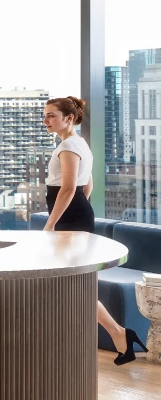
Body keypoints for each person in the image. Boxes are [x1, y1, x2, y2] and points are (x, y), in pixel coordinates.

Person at [41, 95, 147, 365]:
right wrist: (79, 209)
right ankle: (119, 335)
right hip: (76, 216)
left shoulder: (68, 147)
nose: (46, 120)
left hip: (68, 221)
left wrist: (51, 223)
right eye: (45, 115)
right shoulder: (79, 144)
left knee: (69, 286)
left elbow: (67, 189)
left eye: (52, 115)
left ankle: (114, 334)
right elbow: (86, 186)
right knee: (72, 286)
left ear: (69, 118)